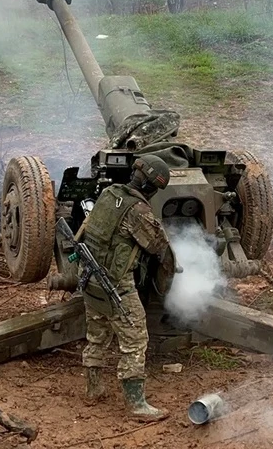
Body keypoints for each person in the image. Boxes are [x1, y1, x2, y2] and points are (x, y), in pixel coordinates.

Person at [77, 154, 172, 419]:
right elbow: (158, 247)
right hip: (116, 285)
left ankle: (93, 389)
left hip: (89, 277)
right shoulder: (138, 211)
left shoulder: (109, 194)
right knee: (135, 339)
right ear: (151, 187)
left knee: (97, 334)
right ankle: (136, 405)